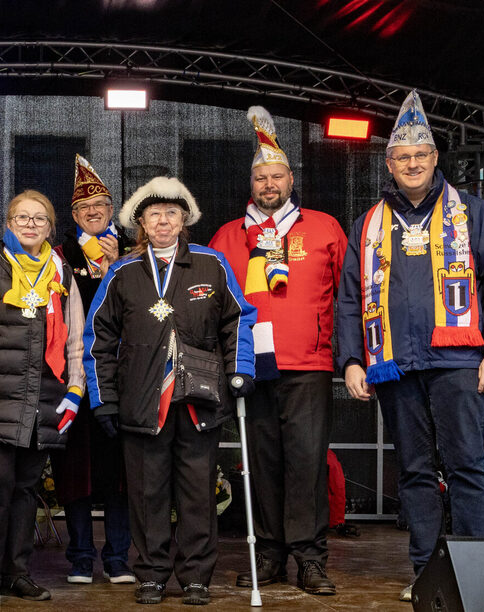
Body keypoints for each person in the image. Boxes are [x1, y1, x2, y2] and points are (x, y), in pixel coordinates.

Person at [336, 90, 484, 602]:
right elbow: (350, 297)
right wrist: (352, 359)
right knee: (415, 472)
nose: (412, 164)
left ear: (435, 159)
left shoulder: (472, 213)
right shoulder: (369, 224)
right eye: (403, 158)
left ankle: (479, 570)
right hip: (395, 365)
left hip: (460, 362)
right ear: (390, 164)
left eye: (421, 156)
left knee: (467, 466)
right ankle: (426, 571)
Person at [84, 176, 256, 606]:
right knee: (147, 494)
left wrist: (241, 370)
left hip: (198, 401)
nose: (163, 221)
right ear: (141, 222)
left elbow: (238, 321)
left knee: (198, 494)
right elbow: (97, 339)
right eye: (154, 214)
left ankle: (196, 576)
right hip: (142, 403)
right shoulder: (122, 272)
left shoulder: (211, 264)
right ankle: (152, 574)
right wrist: (103, 399)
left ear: (184, 220)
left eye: (172, 214)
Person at [208, 106, 346, 595]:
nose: (269, 184)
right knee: (260, 462)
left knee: (307, 463)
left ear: (292, 179)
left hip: (308, 364)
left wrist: (351, 358)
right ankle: (268, 553)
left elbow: (348, 297)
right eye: (261, 177)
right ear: (252, 182)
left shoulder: (325, 228)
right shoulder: (227, 236)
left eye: (277, 176)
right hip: (250, 366)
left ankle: (310, 558)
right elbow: (211, 306)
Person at [0, 189, 86, 603]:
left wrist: (75, 389)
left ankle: (17, 571)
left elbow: (75, 341)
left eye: (39, 219)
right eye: (22, 218)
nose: (31, 225)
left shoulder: (61, 272)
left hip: (42, 403)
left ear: (50, 227)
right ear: (8, 223)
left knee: (27, 489)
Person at [50, 154, 135, 585]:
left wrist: (118, 262)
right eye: (85, 208)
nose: (93, 212)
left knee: (120, 471)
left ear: (111, 207)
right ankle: (81, 556)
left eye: (100, 204)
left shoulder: (134, 252)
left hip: (123, 379)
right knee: (76, 470)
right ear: (74, 214)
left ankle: (119, 557)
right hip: (76, 377)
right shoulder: (59, 255)